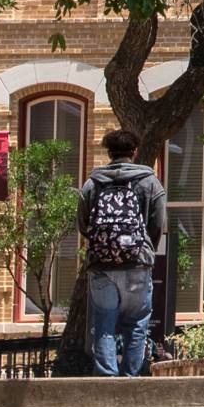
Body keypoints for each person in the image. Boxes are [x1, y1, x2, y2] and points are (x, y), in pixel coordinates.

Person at [76, 127, 170, 377]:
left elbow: (83, 224)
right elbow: (159, 222)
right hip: (137, 265)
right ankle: (131, 377)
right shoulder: (149, 181)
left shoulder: (92, 183)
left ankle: (107, 377)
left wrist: (104, 244)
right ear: (135, 151)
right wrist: (142, 247)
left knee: (104, 324)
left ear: (109, 152)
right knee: (137, 323)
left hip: (102, 266)